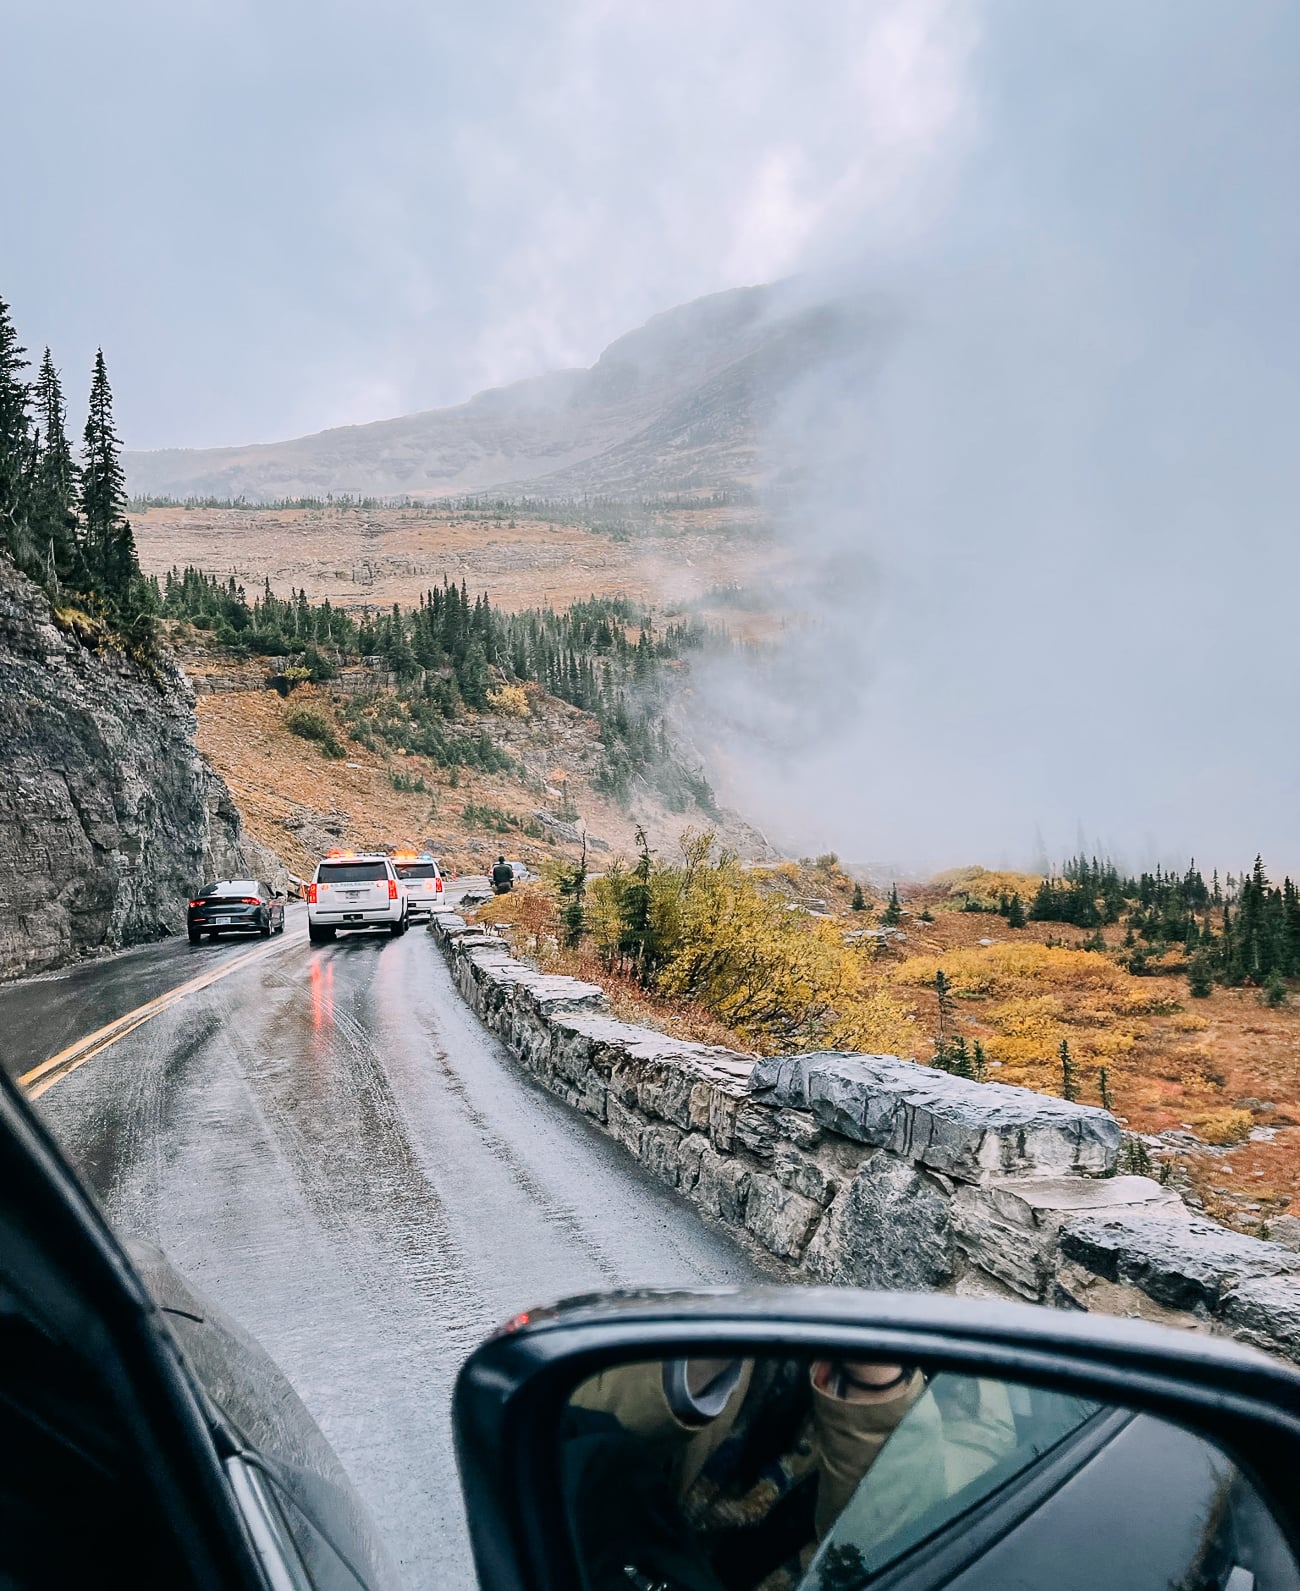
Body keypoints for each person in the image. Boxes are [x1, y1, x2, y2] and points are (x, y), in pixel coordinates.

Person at [561, 1356, 931, 1591]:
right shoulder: (718, 1321)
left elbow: (901, 1548)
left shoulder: (961, 1396)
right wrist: (697, 1368)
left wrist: (877, 1385)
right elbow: (567, 1449)